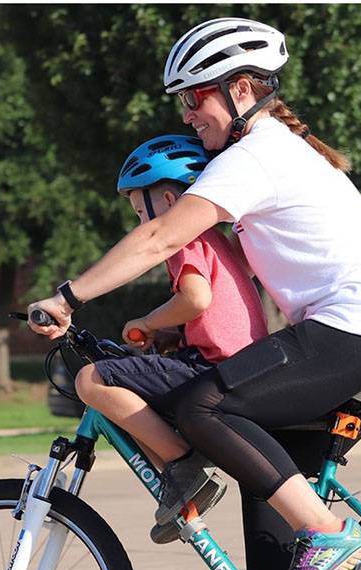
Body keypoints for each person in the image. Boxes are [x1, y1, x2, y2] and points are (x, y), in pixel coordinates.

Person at [30, 17, 361, 570]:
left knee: (205, 405)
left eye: (195, 98)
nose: (188, 115)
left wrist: (67, 296)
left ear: (241, 89)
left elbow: (160, 238)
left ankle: (326, 531)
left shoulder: (257, 156)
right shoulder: (273, 155)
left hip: (356, 336)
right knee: (259, 482)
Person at [75, 134, 269, 545]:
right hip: (237, 365)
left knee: (91, 380)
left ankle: (184, 468)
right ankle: (182, 493)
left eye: (138, 211)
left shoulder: (184, 238)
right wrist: (165, 333)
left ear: (166, 202)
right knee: (140, 410)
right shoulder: (217, 241)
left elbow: (197, 299)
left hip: (214, 369)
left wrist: (145, 320)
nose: (140, 225)